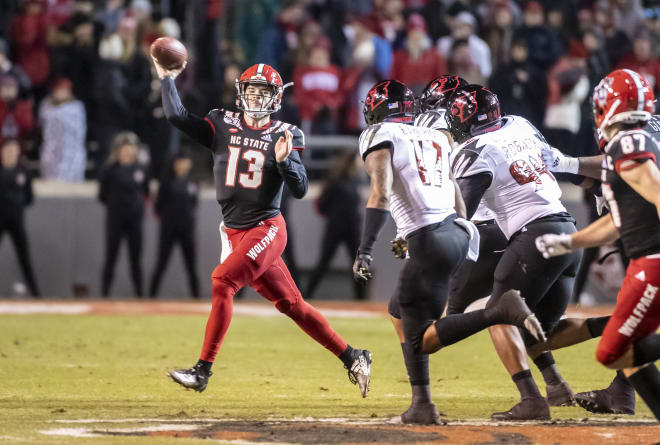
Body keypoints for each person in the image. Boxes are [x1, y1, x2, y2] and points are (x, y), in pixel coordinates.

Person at [155, 60, 372, 396]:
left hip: (266, 226)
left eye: (263, 91)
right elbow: (176, 117)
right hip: (233, 229)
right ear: (241, 93)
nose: (256, 97)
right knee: (292, 305)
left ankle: (202, 371)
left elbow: (299, 190)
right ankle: (353, 356)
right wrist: (167, 78)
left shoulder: (285, 133)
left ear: (276, 97)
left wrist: (286, 162)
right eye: (251, 90)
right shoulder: (220, 122)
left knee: (222, 281)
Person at [353, 79, 544, 420]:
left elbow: (379, 194)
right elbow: (453, 187)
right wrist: (452, 227)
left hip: (435, 236)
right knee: (401, 310)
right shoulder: (432, 134)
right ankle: (423, 403)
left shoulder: (380, 134)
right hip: (457, 231)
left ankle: (497, 314)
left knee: (422, 335)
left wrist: (365, 249)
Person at [444, 84, 583, 420]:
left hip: (535, 234)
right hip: (568, 230)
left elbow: (463, 216)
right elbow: (552, 160)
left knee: (500, 313)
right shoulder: (519, 124)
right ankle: (558, 386)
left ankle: (531, 399)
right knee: (536, 328)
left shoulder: (473, 150)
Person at [536, 69, 660, 421]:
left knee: (615, 350)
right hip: (645, 255)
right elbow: (619, 222)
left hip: (654, 259)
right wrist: (569, 242)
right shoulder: (646, 135)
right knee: (620, 352)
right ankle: (621, 395)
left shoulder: (627, 142)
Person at [305, 151, 364, 300]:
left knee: (358, 265)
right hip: (335, 228)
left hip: (353, 229)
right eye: (358, 160)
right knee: (323, 262)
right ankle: (307, 295)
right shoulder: (335, 180)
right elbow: (322, 203)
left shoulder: (355, 180)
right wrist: (333, 216)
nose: (360, 163)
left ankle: (361, 299)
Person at [99, 131, 149, 297]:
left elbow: (146, 192)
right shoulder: (110, 169)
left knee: (136, 259)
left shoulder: (141, 169)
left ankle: (140, 295)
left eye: (130, 148)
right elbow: (102, 194)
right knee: (111, 257)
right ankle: (104, 294)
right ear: (118, 150)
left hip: (135, 220)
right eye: (124, 149)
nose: (127, 152)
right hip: (115, 220)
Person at [149, 151, 200, 299]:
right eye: (180, 161)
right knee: (161, 263)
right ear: (175, 164)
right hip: (169, 229)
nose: (184, 165)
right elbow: (158, 206)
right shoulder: (166, 181)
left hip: (187, 229)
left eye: (186, 161)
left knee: (191, 266)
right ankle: (150, 297)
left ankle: (196, 298)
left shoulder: (193, 181)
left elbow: (194, 204)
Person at [0, 138, 40, 298]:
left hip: (17, 221)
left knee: (25, 259)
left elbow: (29, 198)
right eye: (8, 150)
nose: (10, 153)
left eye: (14, 150)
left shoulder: (24, 171)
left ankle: (36, 294)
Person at [38, 77, 87, 182]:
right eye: (59, 90)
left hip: (72, 150)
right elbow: (42, 125)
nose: (61, 93)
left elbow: (80, 130)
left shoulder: (77, 108)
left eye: (64, 90)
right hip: (51, 150)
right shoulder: (45, 106)